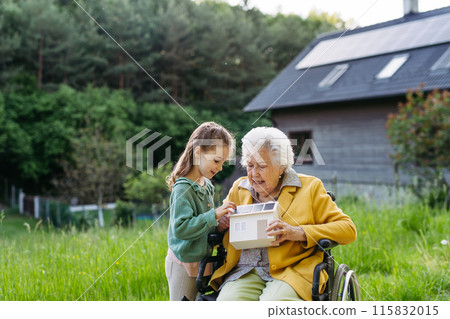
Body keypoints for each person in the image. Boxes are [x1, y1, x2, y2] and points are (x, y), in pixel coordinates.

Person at [209, 127, 357, 301]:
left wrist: (297, 233)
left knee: (272, 305)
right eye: (250, 165)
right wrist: (221, 224)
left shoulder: (310, 187)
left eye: (262, 166)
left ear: (281, 167)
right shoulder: (239, 188)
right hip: (244, 271)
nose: (254, 173)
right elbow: (217, 226)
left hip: (293, 271)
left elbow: (348, 230)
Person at [165, 122, 236, 301]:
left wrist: (219, 225)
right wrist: (214, 215)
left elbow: (204, 226)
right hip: (183, 265)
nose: (220, 167)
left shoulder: (207, 186)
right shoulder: (182, 189)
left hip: (203, 263)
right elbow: (181, 229)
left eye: (223, 162)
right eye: (216, 161)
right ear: (198, 152)